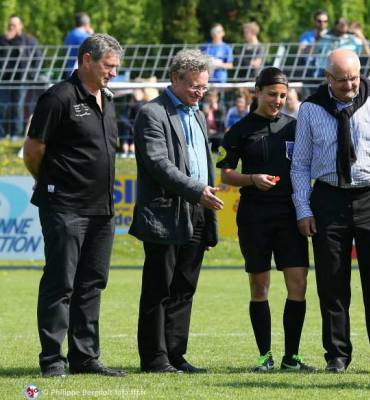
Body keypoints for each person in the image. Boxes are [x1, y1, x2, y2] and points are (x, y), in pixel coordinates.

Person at [22, 33, 125, 378]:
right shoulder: (59, 97)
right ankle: (52, 359)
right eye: (109, 66)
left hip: (101, 210)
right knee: (60, 282)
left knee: (92, 284)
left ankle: (85, 357)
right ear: (86, 60)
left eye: (115, 67)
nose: (113, 73)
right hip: (64, 206)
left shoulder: (108, 99)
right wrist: (50, 183)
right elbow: (34, 150)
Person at [291, 49, 370, 373]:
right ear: (328, 78)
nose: (351, 85)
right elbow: (300, 165)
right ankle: (336, 355)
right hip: (328, 199)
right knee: (332, 283)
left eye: (354, 77)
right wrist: (303, 209)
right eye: (342, 81)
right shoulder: (310, 109)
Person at [130, 49, 223, 374]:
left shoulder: (197, 113)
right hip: (166, 212)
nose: (200, 93)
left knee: (185, 286)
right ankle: (154, 358)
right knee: (160, 287)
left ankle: (175, 354)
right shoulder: (151, 113)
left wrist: (203, 199)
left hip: (197, 210)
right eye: (194, 86)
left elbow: (203, 164)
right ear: (174, 79)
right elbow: (158, 163)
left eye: (204, 87)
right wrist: (197, 191)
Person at [217, 67, 316, 372]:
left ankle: (292, 357)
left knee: (298, 284)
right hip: (255, 216)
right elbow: (226, 173)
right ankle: (264, 355)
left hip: (290, 216)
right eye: (272, 94)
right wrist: (251, 179)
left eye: (283, 95)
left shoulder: (296, 127)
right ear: (257, 92)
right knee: (260, 287)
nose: (278, 100)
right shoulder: (240, 130)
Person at [0, 15, 39, 139]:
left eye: (14, 25)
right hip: (4, 78)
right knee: (3, 106)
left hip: (21, 78)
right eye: (10, 25)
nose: (11, 27)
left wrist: (31, 74)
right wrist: (6, 41)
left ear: (20, 26)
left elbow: (37, 58)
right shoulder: (3, 40)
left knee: (17, 105)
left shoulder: (29, 40)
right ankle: (2, 133)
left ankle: (16, 133)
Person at [64, 12, 94, 77]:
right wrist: (91, 34)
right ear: (87, 24)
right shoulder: (84, 36)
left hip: (69, 70)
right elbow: (94, 49)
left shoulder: (69, 35)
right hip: (80, 72)